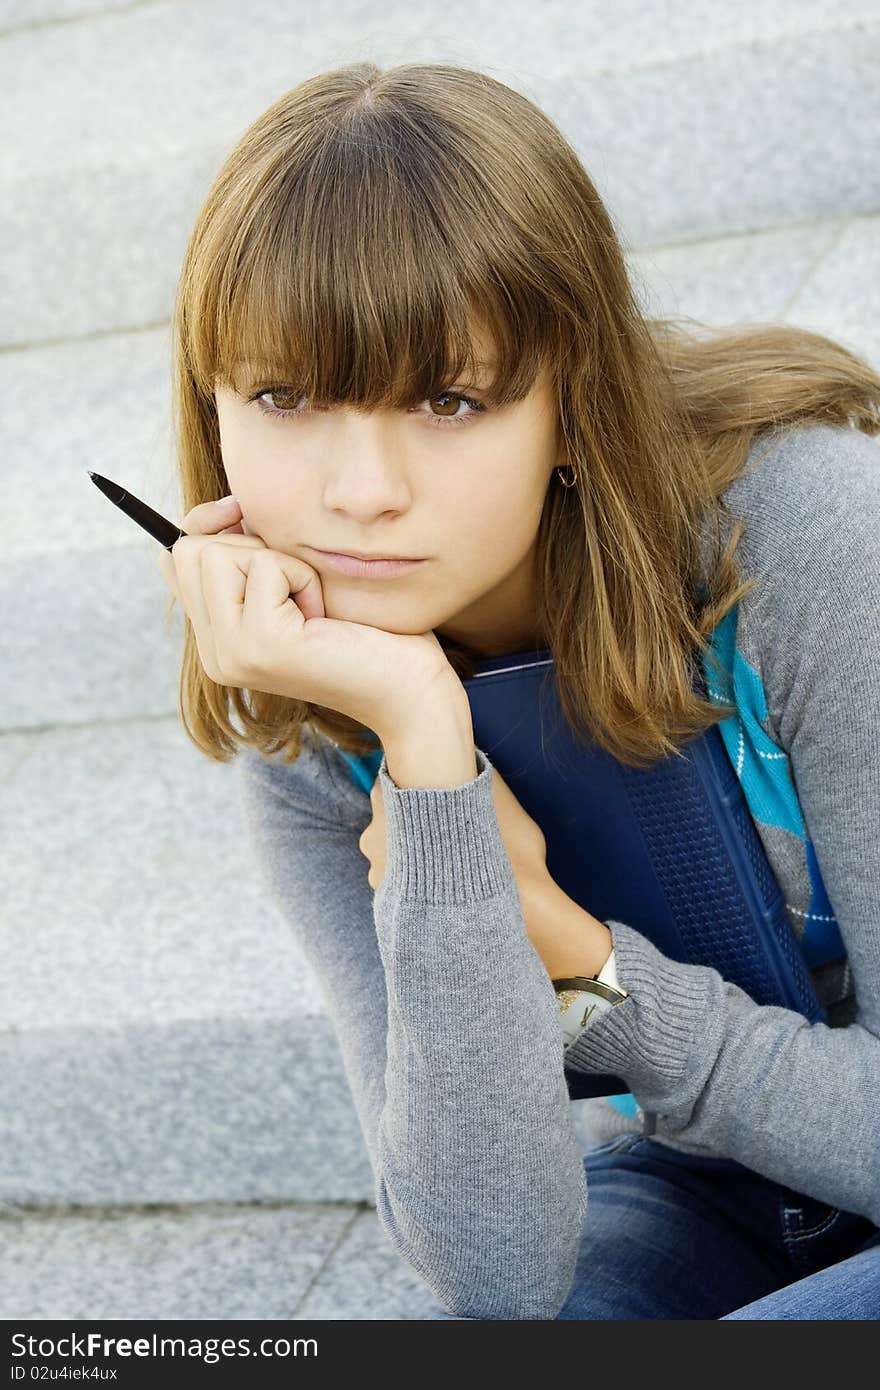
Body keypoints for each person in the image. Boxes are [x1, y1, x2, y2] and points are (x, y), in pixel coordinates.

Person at [157, 60, 880, 1319]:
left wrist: (583, 967)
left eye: (449, 398)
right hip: (710, 1185)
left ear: (569, 400)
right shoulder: (320, 711)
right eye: (284, 397)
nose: (361, 490)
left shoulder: (806, 543)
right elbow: (496, 1273)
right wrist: (427, 753)